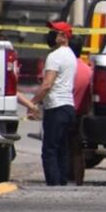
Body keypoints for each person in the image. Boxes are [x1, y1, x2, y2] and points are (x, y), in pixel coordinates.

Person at [29, 20, 77, 186]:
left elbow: (47, 84)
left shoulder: (54, 56)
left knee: (49, 150)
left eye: (53, 32)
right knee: (62, 149)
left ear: (63, 36)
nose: (49, 35)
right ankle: (62, 182)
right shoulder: (71, 55)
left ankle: (54, 185)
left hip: (56, 108)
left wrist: (33, 102)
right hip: (69, 108)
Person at [68, 37, 92, 185]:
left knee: (61, 148)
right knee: (78, 151)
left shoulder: (66, 68)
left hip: (65, 111)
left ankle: (63, 178)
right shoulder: (88, 70)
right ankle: (78, 180)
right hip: (81, 115)